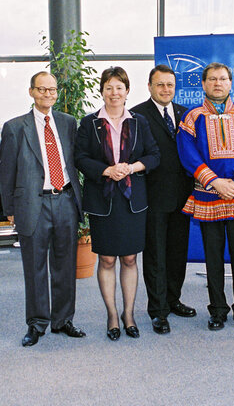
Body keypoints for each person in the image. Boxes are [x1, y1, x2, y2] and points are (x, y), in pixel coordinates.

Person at [0, 72, 86, 347]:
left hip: (65, 201)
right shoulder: (15, 127)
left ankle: (63, 320)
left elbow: (76, 160)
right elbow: (6, 172)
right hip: (32, 204)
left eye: (52, 89)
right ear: (31, 92)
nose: (48, 94)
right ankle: (36, 324)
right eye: (42, 89)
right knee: (34, 267)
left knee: (65, 265)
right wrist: (9, 208)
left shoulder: (68, 123)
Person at [177, 62, 234, 331]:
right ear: (203, 84)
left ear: (230, 83)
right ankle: (217, 309)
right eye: (212, 79)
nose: (218, 83)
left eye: (223, 79)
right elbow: (187, 154)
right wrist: (215, 182)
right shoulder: (192, 118)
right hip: (208, 195)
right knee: (212, 258)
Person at [75, 67, 160, 341]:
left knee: (131, 258)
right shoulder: (89, 123)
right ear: (102, 90)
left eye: (119, 87)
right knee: (108, 258)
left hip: (133, 199)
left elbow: (154, 155)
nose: (114, 93)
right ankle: (112, 314)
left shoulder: (139, 122)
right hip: (103, 199)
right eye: (109, 87)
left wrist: (132, 167)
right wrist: (106, 170)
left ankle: (129, 314)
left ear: (127, 91)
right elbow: (81, 157)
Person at [130, 65, 196, 335]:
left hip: (184, 196)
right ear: (149, 86)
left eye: (170, 85)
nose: (165, 89)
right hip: (153, 196)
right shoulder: (136, 115)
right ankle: (158, 311)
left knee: (178, 252)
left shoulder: (186, 114)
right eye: (160, 85)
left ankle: (173, 299)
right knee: (156, 255)